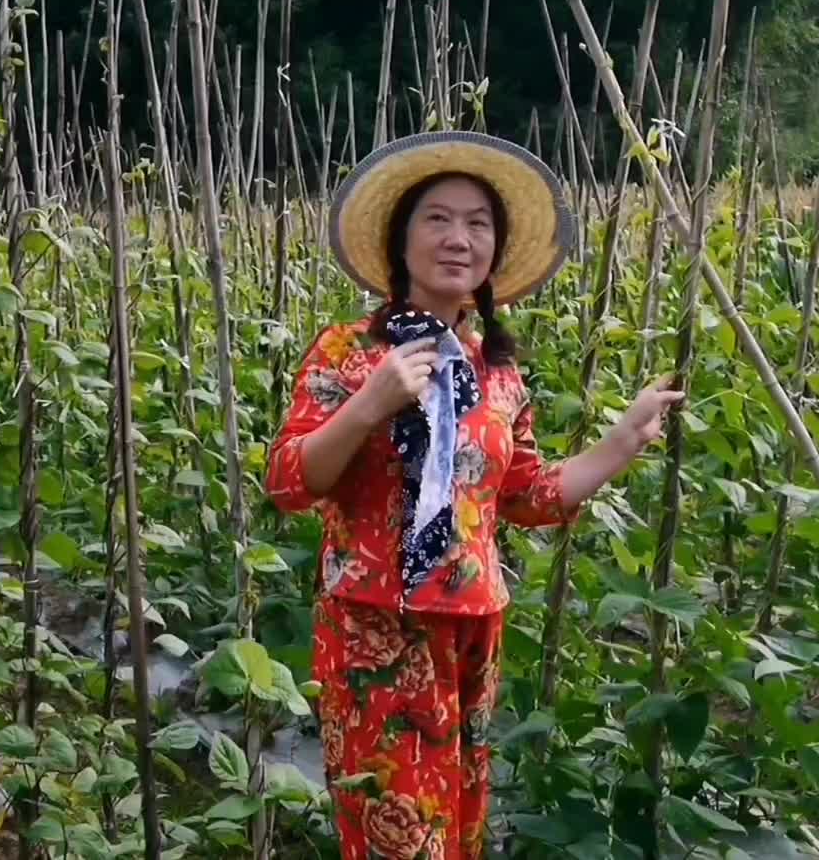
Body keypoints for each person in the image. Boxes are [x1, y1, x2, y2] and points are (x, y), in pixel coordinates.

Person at [264, 131, 685, 860]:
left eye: (478, 224)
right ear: (401, 243)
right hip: (376, 632)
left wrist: (622, 441)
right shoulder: (348, 352)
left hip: (474, 629)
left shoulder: (497, 375)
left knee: (458, 828)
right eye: (438, 219)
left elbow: (527, 496)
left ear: (493, 253)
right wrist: (368, 404)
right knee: (398, 839)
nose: (458, 238)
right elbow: (290, 481)